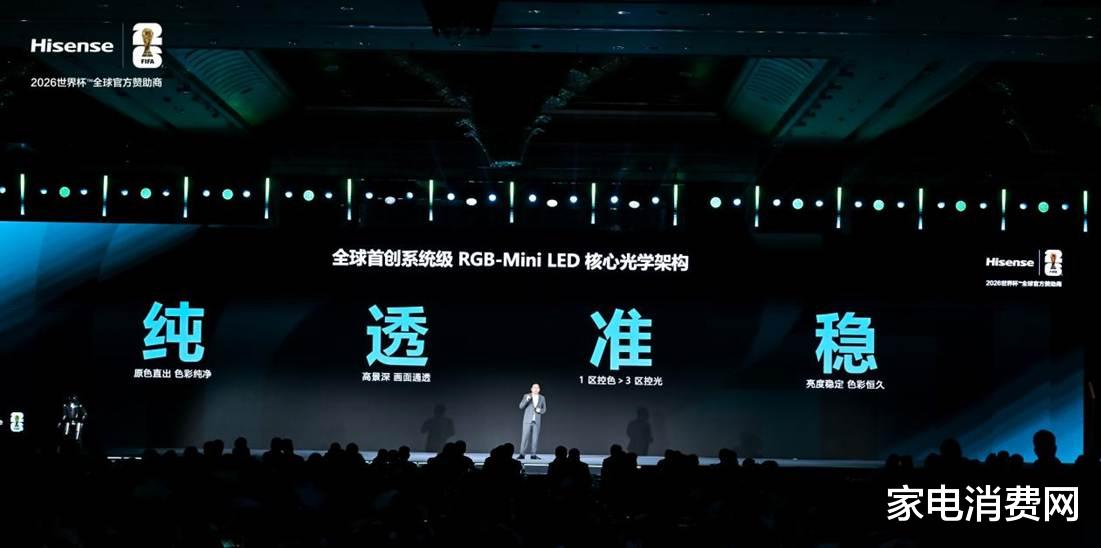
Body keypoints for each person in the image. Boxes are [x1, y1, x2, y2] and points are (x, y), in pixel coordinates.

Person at [518, 383, 547, 459]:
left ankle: (533, 455)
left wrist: (540, 410)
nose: (536, 389)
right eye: (534, 387)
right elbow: (521, 406)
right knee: (525, 438)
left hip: (536, 421)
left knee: (535, 439)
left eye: (537, 388)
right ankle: (522, 454)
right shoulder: (526, 396)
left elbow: (544, 409)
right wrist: (527, 400)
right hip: (527, 420)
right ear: (531, 389)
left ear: (539, 389)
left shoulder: (542, 397)